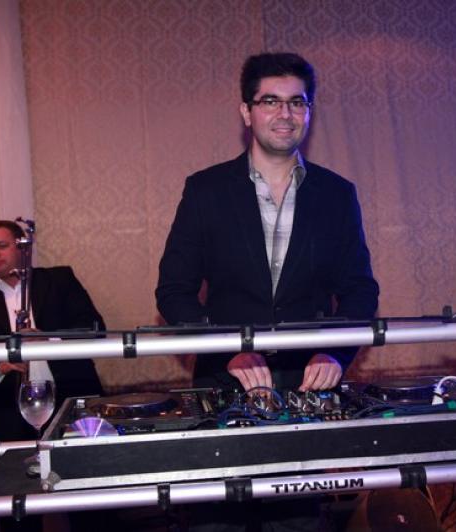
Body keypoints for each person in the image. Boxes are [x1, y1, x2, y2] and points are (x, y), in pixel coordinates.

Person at [155, 52, 379, 531]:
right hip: (224, 387)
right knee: (215, 524)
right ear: (246, 111)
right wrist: (228, 350)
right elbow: (173, 292)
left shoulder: (337, 193)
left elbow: (360, 289)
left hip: (306, 393)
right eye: (270, 101)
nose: (285, 113)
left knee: (298, 524)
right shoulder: (205, 189)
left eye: (297, 102)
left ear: (309, 111)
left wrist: (335, 353)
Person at [0, 220, 104, 443]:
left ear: (23, 248)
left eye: (1, 246)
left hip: (72, 397)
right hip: (11, 414)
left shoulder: (59, 280)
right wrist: (1, 367)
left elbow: (95, 328)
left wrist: (48, 340)